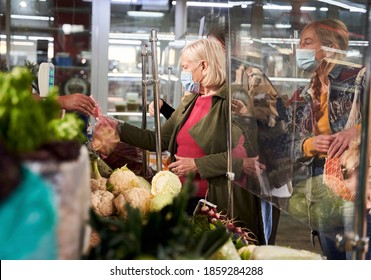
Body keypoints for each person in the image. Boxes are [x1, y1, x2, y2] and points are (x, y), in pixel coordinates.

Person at [93, 38, 267, 245]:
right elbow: (157, 140)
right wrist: (117, 126)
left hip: (216, 204)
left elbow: (242, 155)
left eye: (185, 67)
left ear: (204, 65)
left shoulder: (232, 100)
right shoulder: (191, 100)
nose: (182, 73)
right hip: (183, 200)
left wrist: (196, 165)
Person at [288, 18, 368, 259]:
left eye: (307, 42)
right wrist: (308, 144)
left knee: (359, 257)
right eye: (300, 42)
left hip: (354, 177)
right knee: (332, 255)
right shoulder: (305, 92)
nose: (300, 48)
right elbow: (288, 142)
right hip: (320, 181)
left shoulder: (360, 79)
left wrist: (357, 131)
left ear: (330, 46)